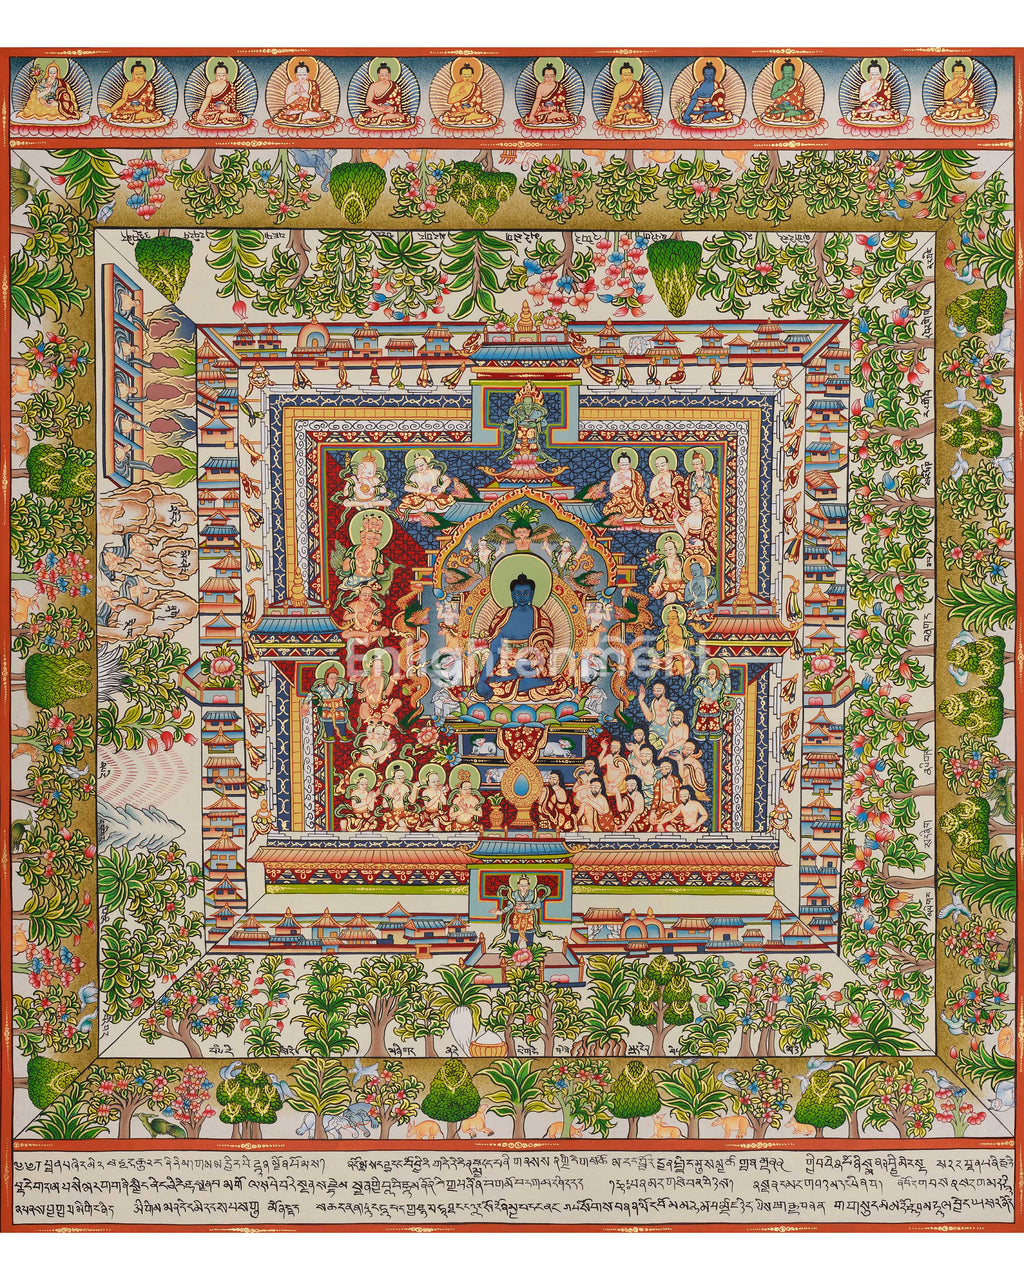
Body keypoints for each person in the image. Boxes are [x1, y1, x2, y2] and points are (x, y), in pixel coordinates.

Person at [475, 573, 554, 700]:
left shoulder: (540, 617)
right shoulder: (502, 617)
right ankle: (524, 684)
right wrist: (482, 680)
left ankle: (529, 682)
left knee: (554, 684)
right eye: (518, 593)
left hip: (531, 667)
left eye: (526, 594)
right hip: (505, 669)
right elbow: (494, 653)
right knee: (490, 684)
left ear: (532, 594)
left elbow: (544, 649)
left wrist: (526, 665)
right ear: (512, 595)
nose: (522, 597)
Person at [397, 453, 455, 521]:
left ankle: (431, 510)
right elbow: (406, 487)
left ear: (426, 463)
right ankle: (426, 510)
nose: (420, 468)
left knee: (451, 506)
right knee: (403, 508)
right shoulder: (415, 476)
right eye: (417, 467)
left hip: (436, 496)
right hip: (421, 497)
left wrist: (441, 488)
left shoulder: (435, 472)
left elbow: (447, 480)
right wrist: (418, 490)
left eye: (421, 465)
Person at [273, 60, 333, 125]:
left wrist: (307, 96)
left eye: (304, 74)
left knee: (324, 115)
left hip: (309, 109)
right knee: (282, 115)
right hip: (294, 109)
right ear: (296, 75)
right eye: (299, 74)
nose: (302, 76)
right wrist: (298, 95)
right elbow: (287, 101)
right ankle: (300, 114)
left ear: (308, 74)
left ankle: (301, 115)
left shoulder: (313, 84)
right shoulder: (291, 85)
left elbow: (316, 100)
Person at [440, 60, 497, 127]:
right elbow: (449, 101)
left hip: (472, 111)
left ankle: (468, 118)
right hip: (457, 111)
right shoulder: (456, 86)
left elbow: (478, 103)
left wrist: (473, 109)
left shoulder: (476, 87)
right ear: (461, 76)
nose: (467, 78)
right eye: (465, 75)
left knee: (487, 116)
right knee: (447, 117)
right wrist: (460, 96)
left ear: (472, 75)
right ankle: (470, 118)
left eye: (469, 76)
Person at [190, 62, 247, 127]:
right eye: (219, 75)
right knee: (196, 115)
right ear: (215, 75)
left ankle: (225, 115)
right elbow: (207, 99)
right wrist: (200, 114)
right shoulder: (211, 86)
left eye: (223, 75)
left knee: (238, 116)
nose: (221, 77)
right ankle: (223, 116)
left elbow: (232, 103)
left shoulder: (231, 86)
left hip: (225, 109)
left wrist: (226, 108)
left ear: (227, 75)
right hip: (212, 109)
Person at [761, 59, 817, 124]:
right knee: (769, 113)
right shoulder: (778, 83)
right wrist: (783, 90)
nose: (788, 75)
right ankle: (791, 114)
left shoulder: (799, 84)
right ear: (782, 72)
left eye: (790, 73)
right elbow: (773, 96)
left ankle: (788, 114)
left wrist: (792, 107)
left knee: (809, 114)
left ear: (793, 72)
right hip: (780, 107)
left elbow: (799, 100)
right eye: (786, 73)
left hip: (794, 108)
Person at [359, 61, 413, 127]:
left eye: (386, 75)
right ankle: (384, 118)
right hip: (376, 110)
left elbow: (397, 104)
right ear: (378, 75)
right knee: (365, 116)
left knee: (402, 116)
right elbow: (368, 102)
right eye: (382, 75)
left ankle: (383, 118)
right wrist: (380, 108)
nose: (384, 77)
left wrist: (391, 108)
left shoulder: (395, 86)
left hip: (390, 110)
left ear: (389, 75)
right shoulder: (373, 86)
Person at [307, 664, 353, 741]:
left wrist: (351, 683)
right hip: (327, 709)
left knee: (341, 722)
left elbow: (349, 696)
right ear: (327, 678)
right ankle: (330, 736)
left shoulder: (341, 687)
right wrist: (305, 702)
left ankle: (343, 736)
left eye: (335, 678)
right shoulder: (321, 689)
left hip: (338, 709)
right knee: (328, 723)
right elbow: (311, 694)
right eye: (331, 678)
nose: (333, 680)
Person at [603, 61, 655, 128]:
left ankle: (628, 118)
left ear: (632, 75)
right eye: (625, 75)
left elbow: (640, 104)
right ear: (621, 76)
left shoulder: (637, 85)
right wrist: (610, 114)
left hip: (634, 111)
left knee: (646, 116)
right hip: (620, 111)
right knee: (608, 118)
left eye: (629, 74)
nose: (627, 77)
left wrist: (635, 110)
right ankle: (627, 118)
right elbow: (615, 101)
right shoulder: (618, 87)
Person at [525, 62, 577, 126]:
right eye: (547, 76)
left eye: (552, 76)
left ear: (555, 76)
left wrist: (557, 109)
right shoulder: (540, 86)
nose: (550, 78)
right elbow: (537, 100)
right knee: (532, 116)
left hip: (555, 109)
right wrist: (532, 115)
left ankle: (554, 116)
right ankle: (550, 116)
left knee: (565, 116)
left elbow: (562, 103)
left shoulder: (560, 86)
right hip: (543, 109)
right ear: (543, 77)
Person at [679, 61, 730, 125]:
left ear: (714, 74)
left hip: (712, 108)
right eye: (707, 75)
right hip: (699, 108)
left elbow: (719, 101)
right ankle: (705, 116)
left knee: (724, 113)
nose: (709, 77)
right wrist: (686, 114)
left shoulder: (717, 86)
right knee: (685, 113)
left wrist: (712, 107)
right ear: (703, 74)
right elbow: (693, 100)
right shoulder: (698, 86)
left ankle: (705, 116)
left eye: (711, 75)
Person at [604, 451, 647, 523]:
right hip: (618, 500)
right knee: (607, 510)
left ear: (630, 464)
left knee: (641, 509)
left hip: (633, 499)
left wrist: (631, 485)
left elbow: (640, 487)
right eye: (622, 464)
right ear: (618, 465)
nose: (624, 466)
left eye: (626, 464)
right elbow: (611, 490)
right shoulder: (615, 475)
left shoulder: (635, 474)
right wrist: (622, 484)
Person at [597, 738, 630, 813]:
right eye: (611, 746)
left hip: (618, 786)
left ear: (620, 749)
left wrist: (614, 783)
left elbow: (623, 773)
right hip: (608, 785)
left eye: (615, 747)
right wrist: (604, 750)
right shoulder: (608, 757)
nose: (613, 748)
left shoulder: (620, 759)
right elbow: (597, 764)